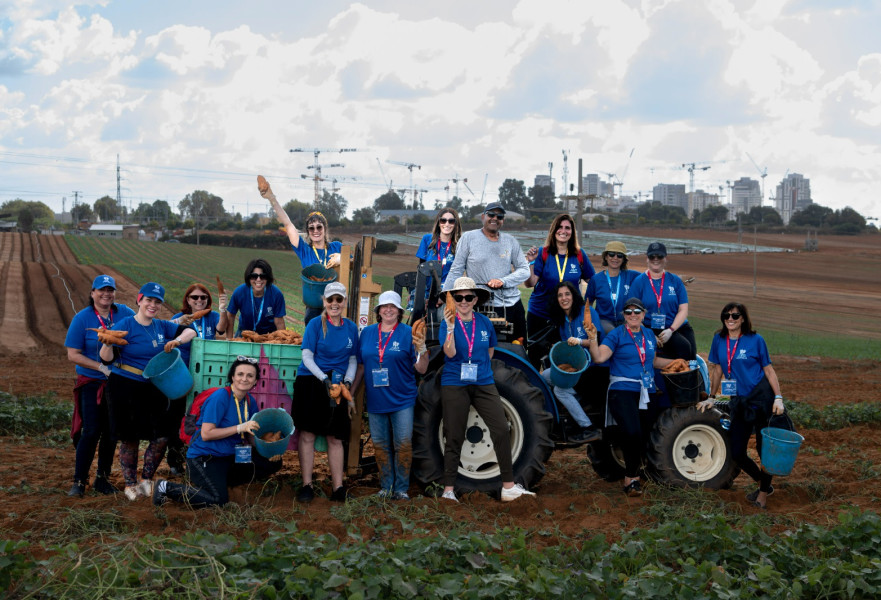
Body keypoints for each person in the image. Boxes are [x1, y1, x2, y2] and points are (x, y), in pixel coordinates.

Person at [438, 277, 536, 502]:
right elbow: (450, 354)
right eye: (459, 297)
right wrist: (451, 329)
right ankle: (449, 490)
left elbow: (490, 351)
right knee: (454, 435)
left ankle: (508, 486)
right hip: (455, 383)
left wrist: (478, 367)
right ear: (453, 300)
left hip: (483, 382)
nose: (463, 301)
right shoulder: (447, 323)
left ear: (475, 300)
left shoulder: (484, 323)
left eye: (468, 297)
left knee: (501, 428)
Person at [99, 282, 197, 501]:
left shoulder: (162, 326)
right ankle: (130, 484)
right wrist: (106, 342)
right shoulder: (125, 324)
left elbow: (191, 331)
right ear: (139, 300)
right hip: (125, 386)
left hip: (153, 387)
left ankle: (146, 480)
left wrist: (177, 340)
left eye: (157, 302)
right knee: (129, 438)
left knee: (161, 436)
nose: (152, 305)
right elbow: (106, 359)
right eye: (149, 300)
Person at [151, 356, 283, 508]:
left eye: (250, 376)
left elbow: (250, 435)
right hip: (205, 458)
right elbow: (207, 434)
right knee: (217, 500)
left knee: (273, 462)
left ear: (255, 381)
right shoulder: (221, 397)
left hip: (229, 456)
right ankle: (166, 487)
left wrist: (268, 450)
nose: (244, 379)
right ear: (232, 377)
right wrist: (239, 427)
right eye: (240, 374)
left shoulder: (249, 402)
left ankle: (224, 483)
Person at [698, 303, 785, 509]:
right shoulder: (718, 339)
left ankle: (763, 495)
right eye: (726, 315)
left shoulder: (756, 340)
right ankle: (762, 483)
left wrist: (778, 397)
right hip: (739, 402)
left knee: (764, 450)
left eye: (735, 315)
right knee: (737, 451)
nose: (731, 318)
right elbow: (718, 370)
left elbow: (769, 370)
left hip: (761, 398)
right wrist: (711, 396)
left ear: (743, 319)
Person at [585, 297, 674, 497]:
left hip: (647, 390)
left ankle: (640, 473)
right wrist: (592, 339)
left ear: (644, 314)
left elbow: (653, 360)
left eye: (637, 311)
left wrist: (677, 361)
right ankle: (630, 480)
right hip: (623, 389)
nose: (632, 315)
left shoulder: (650, 335)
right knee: (632, 432)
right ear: (624, 316)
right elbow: (599, 357)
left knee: (644, 433)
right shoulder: (617, 334)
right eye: (628, 312)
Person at [63, 275, 135, 497]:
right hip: (92, 382)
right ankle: (79, 481)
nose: (106, 294)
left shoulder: (123, 313)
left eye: (110, 290)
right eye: (102, 290)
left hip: (117, 383)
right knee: (92, 430)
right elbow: (73, 354)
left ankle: (102, 480)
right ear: (92, 293)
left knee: (111, 432)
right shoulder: (82, 319)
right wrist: (100, 367)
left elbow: (141, 326)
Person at [355, 291, 429, 499]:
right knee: (380, 445)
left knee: (403, 444)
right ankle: (386, 487)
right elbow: (361, 367)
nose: (388, 310)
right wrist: (351, 393)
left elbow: (422, 369)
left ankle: (401, 489)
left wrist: (421, 348)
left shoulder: (408, 333)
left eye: (393, 307)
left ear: (399, 311)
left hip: (402, 399)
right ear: (378, 311)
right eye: (384, 306)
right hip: (377, 400)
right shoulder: (367, 333)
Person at [292, 281, 358, 503]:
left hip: (337, 385)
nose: (335, 303)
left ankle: (338, 487)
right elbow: (307, 357)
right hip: (312, 381)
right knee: (308, 434)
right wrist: (324, 379)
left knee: (335, 436)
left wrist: (347, 382)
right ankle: (307, 485)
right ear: (324, 302)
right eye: (330, 300)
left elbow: (352, 359)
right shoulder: (314, 324)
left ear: (344, 302)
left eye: (339, 299)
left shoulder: (351, 328)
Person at [443, 202, 530, 342]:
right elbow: (456, 269)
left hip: (513, 305)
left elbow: (525, 270)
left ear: (503, 220)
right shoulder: (468, 238)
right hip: (485, 306)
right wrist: (445, 297)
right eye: (491, 214)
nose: (495, 218)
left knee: (518, 347)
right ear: (483, 217)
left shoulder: (510, 241)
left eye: (499, 216)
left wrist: (503, 281)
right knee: (487, 347)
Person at [261, 179, 342, 325]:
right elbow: (288, 224)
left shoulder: (336, 247)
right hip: (314, 307)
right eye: (311, 228)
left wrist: (342, 258)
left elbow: (356, 261)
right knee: (313, 338)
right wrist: (272, 198)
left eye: (319, 227)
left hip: (336, 306)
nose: (315, 231)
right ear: (308, 231)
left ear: (325, 229)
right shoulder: (305, 250)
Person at [167, 283, 229, 474]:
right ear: (188, 300)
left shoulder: (212, 317)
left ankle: (198, 457)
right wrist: (177, 325)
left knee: (200, 417)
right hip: (183, 375)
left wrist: (223, 310)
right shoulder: (179, 319)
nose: (199, 301)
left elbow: (221, 329)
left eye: (203, 298)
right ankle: (175, 460)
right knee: (178, 417)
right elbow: (168, 336)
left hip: (205, 376)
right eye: (195, 297)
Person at [540, 281, 603, 444]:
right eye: (560, 295)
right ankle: (557, 417)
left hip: (591, 369)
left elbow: (597, 339)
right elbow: (568, 348)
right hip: (575, 368)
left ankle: (587, 427)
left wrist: (580, 341)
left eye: (567, 294)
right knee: (542, 378)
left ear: (574, 296)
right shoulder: (562, 320)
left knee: (561, 390)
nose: (564, 298)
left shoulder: (587, 313)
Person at [524, 214, 595, 346]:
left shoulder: (579, 254)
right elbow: (530, 283)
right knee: (535, 356)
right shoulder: (542, 253)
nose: (563, 231)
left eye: (567, 228)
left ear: (572, 232)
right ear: (553, 230)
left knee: (563, 359)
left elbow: (593, 281)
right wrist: (530, 263)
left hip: (567, 317)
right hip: (540, 313)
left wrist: (585, 304)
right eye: (560, 227)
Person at [628, 242, 696, 360]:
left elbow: (683, 310)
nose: (655, 259)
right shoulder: (639, 282)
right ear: (647, 259)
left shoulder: (675, 281)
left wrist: (671, 330)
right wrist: (647, 333)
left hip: (676, 325)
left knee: (691, 356)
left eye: (659, 256)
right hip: (649, 326)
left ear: (666, 259)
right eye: (652, 256)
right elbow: (632, 312)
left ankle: (690, 377)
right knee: (683, 347)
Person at [586, 241, 639, 334]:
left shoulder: (631, 275)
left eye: (619, 255)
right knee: (614, 333)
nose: (615, 258)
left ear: (623, 259)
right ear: (606, 257)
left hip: (626, 319)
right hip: (604, 320)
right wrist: (590, 321)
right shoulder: (596, 279)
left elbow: (649, 277)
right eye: (611, 254)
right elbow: (587, 303)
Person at [415, 207, 462, 312]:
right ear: (438, 222)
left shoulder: (460, 244)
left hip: (448, 296)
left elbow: (459, 273)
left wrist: (446, 296)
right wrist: (418, 294)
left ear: (456, 224)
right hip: (427, 294)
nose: (447, 224)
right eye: (443, 220)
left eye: (451, 221)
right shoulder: (427, 239)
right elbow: (421, 270)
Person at [225, 259, 287, 337]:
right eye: (254, 276)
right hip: (244, 332)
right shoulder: (239, 292)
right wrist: (229, 341)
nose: (258, 279)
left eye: (263, 276)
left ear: (268, 278)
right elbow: (230, 316)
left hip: (269, 335)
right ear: (249, 277)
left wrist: (283, 343)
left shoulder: (276, 294)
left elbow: (279, 322)